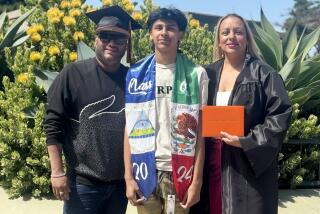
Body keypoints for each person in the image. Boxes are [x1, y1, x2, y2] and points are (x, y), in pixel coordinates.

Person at [43, 6, 141, 214]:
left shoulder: (132, 79)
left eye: (119, 38)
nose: (112, 43)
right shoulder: (73, 74)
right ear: (95, 38)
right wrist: (57, 172)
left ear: (127, 44)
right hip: (83, 185)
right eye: (105, 36)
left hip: (118, 186)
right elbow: (53, 123)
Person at [196, 14, 292, 214]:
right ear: (219, 39)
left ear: (247, 38)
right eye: (225, 32)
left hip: (244, 164)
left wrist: (247, 140)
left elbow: (279, 116)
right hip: (211, 160)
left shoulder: (265, 75)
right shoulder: (207, 74)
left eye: (238, 32)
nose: (231, 37)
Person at [124, 7, 209, 214]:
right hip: (145, 170)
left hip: (181, 172)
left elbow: (200, 133)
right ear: (151, 33)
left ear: (180, 34)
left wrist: (197, 181)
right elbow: (129, 128)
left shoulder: (197, 74)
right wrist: (128, 177)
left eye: (171, 28)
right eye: (158, 27)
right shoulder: (135, 75)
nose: (164, 32)